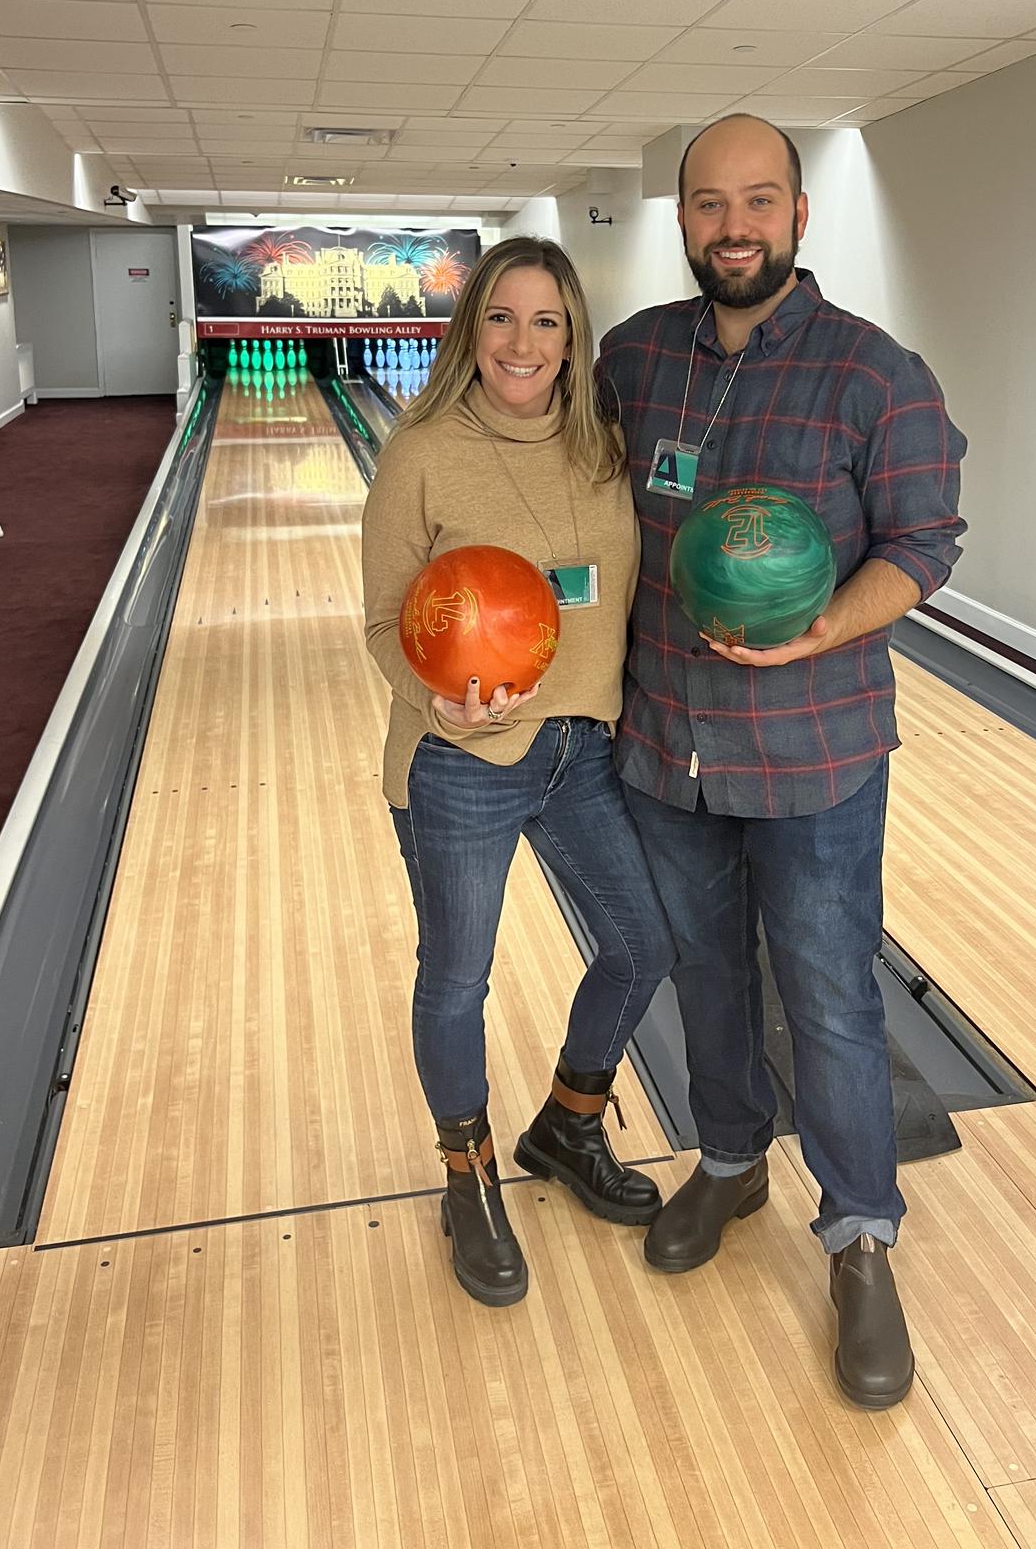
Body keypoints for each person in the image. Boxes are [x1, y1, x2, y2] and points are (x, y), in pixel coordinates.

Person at [597, 113, 966, 1410]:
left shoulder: (877, 376)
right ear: (683, 219)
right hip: (668, 741)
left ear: (800, 217)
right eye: (710, 203)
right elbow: (579, 505)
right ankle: (733, 1160)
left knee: (830, 996)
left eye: (760, 200)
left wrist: (824, 626)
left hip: (816, 752)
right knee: (705, 974)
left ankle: (862, 1236)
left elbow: (924, 542)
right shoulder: (633, 358)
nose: (734, 225)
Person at [361, 236, 675, 1308]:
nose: (522, 341)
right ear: (471, 328)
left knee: (642, 944)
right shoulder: (421, 451)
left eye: (547, 321)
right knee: (458, 977)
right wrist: (435, 702)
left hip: (584, 748)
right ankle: (468, 1176)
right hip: (462, 760)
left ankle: (567, 1127)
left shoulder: (603, 448)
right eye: (501, 316)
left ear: (573, 337)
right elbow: (383, 622)